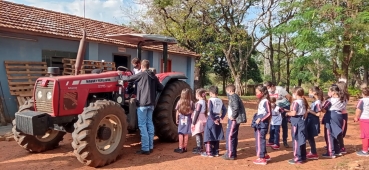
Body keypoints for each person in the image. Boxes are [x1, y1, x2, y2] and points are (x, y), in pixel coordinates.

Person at [121, 59, 163, 155]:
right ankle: (151, 146)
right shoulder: (153, 76)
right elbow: (161, 88)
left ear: (142, 66)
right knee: (149, 123)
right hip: (151, 104)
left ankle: (145, 148)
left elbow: (129, 79)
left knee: (142, 125)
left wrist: (120, 76)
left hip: (142, 104)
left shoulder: (141, 74)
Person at [264, 81, 292, 148]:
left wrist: (290, 108)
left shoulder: (280, 89)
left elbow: (289, 97)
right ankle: (272, 141)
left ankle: (285, 141)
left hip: (284, 107)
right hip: (275, 108)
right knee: (273, 125)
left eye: (268, 88)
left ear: (272, 86)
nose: (268, 90)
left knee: (284, 125)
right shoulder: (267, 91)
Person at [222, 84, 247, 160]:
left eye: (227, 91)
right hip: (233, 119)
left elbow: (235, 107)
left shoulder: (233, 97)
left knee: (230, 136)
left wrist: (233, 116)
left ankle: (230, 154)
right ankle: (232, 152)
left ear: (229, 90)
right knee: (233, 136)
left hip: (234, 119)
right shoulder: (234, 96)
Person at [322, 85, 347, 159]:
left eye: (329, 91)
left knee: (329, 134)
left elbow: (324, 109)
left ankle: (330, 152)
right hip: (339, 116)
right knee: (335, 133)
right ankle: (337, 151)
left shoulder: (330, 100)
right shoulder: (343, 99)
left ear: (333, 92)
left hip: (331, 115)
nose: (328, 92)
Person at [201, 86, 227, 157]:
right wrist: (221, 117)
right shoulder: (220, 100)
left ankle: (209, 152)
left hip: (211, 119)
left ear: (211, 93)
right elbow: (225, 110)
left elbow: (211, 111)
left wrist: (213, 119)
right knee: (216, 134)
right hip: (218, 117)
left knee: (208, 134)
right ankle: (216, 152)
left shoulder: (210, 100)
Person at [286, 87, 308, 164]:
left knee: (296, 139)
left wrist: (287, 113)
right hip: (302, 121)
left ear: (296, 93)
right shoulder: (303, 101)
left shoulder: (296, 102)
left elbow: (293, 113)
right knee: (302, 138)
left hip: (296, 121)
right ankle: (303, 156)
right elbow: (305, 113)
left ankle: (297, 158)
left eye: (293, 93)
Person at [252, 85, 272, 165]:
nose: (256, 94)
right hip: (259, 122)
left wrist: (261, 119)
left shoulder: (266, 101)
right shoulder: (262, 100)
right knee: (259, 139)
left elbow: (269, 113)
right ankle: (265, 155)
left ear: (262, 93)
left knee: (260, 140)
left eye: (257, 92)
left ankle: (262, 158)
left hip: (262, 124)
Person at [305, 86, 323, 160]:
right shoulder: (315, 101)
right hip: (310, 121)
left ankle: (314, 153)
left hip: (313, 121)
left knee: (310, 137)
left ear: (314, 92)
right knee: (309, 137)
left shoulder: (318, 102)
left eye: (310, 92)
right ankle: (312, 151)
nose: (309, 93)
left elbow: (319, 114)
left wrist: (309, 111)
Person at [174, 88, 194, 153]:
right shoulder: (191, 103)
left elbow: (177, 112)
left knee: (180, 133)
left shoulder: (179, 102)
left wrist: (176, 119)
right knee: (186, 133)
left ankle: (180, 147)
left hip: (181, 119)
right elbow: (193, 112)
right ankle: (185, 147)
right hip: (188, 119)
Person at [354, 87, 369, 157]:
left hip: (365, 119)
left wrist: (356, 117)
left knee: (365, 135)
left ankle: (365, 151)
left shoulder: (362, 100)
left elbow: (358, 110)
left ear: (362, 93)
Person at [191, 89, 207, 154]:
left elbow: (197, 112)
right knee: (200, 132)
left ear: (198, 95)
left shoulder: (199, 103)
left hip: (199, 119)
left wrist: (193, 123)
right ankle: (200, 146)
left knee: (197, 132)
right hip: (203, 117)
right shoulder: (204, 102)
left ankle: (199, 147)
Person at [336, 81, 349, 154]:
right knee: (337, 130)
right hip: (339, 114)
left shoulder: (344, 96)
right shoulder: (342, 95)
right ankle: (336, 144)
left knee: (340, 131)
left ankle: (342, 147)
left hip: (342, 114)